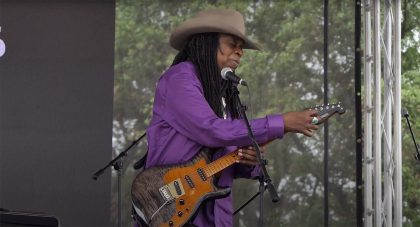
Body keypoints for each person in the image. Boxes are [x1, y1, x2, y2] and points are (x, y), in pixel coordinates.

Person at [136, 8, 320, 227]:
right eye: (232, 44)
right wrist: (281, 122)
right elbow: (211, 131)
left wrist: (249, 162)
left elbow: (225, 157)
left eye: (241, 48)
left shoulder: (224, 94)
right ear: (208, 43)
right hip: (169, 209)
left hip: (215, 217)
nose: (240, 52)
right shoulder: (180, 78)